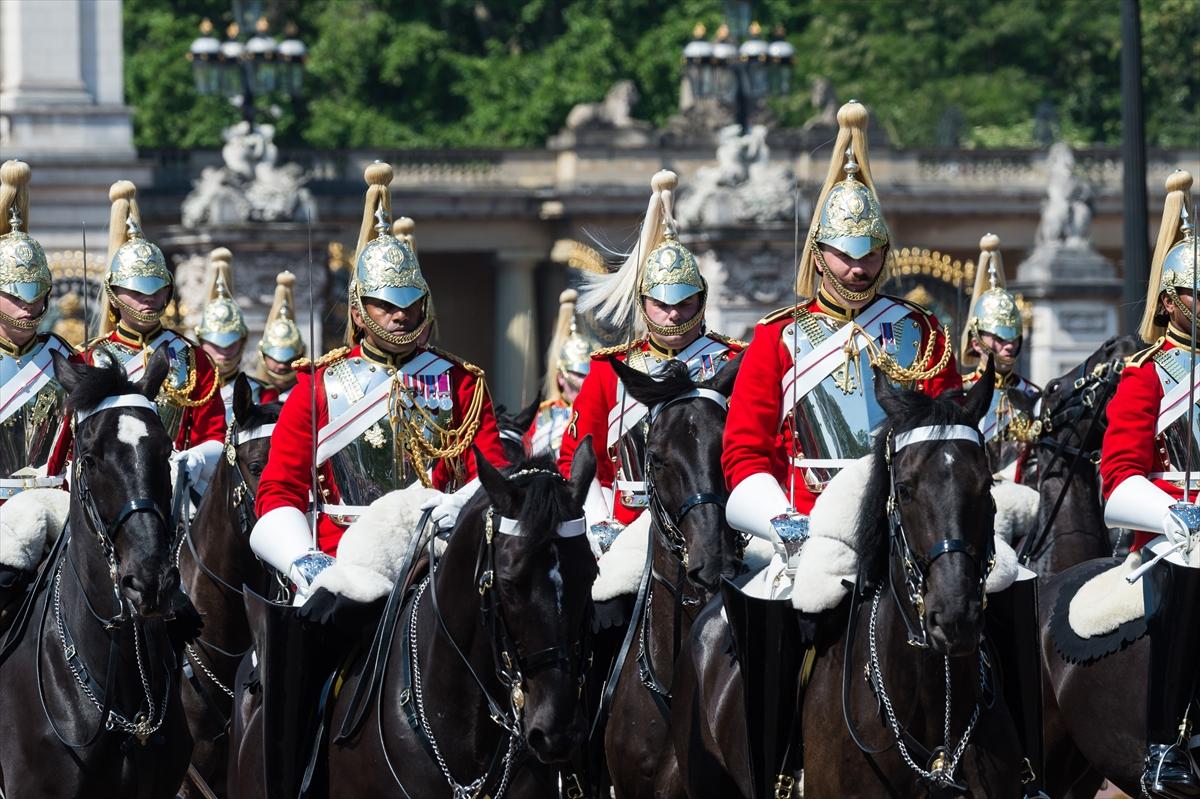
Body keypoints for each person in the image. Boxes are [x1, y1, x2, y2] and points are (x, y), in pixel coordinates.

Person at [719, 101, 962, 797]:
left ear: (885, 251)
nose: (858, 269)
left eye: (869, 255)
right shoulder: (778, 338)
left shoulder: (921, 332)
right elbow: (744, 451)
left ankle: (1018, 760)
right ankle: (776, 764)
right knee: (773, 616)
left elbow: (949, 435)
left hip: (911, 524)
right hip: (808, 523)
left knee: (999, 587)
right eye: (844, 255)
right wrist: (780, 519)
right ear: (818, 253)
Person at [250, 161, 508, 601]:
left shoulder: (460, 382)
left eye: (410, 303)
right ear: (358, 312)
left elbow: (494, 471)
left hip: (436, 551)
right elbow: (280, 489)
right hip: (342, 561)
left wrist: (460, 504)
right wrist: (306, 561)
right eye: (385, 305)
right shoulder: (317, 385)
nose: (400, 314)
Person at [557, 169, 743, 553]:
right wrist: (601, 523)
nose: (673, 315)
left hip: (718, 525)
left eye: (685, 303)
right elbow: (579, 456)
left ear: (702, 300)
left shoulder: (733, 361)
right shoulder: (609, 370)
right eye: (661, 304)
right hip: (630, 529)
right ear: (643, 304)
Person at [1101, 169, 1200, 798]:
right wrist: (1175, 515)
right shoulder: (1145, 373)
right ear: (1169, 301)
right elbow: (1118, 479)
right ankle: (1165, 745)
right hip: (1171, 536)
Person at [85, 180, 226, 496]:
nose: (148, 298)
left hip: (176, 487)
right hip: (110, 490)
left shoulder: (192, 357)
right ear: (114, 293)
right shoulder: (90, 357)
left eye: (157, 289)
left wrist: (195, 459)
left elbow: (215, 433)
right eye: (136, 291)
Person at [0, 159, 81, 614]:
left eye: (36, 294)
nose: (28, 308)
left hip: (56, 508)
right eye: (15, 296)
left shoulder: (68, 358)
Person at [961, 233, 1040, 480]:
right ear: (976, 343)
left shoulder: (1033, 396)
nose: (1008, 346)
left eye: (1013, 338)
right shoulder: (960, 393)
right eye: (999, 338)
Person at [195, 246, 277, 417]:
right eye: (215, 344)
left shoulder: (262, 393)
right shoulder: (188, 389)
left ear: (243, 341)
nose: (224, 351)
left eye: (231, 344)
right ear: (201, 342)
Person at [527, 289, 597, 458]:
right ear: (560, 377)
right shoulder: (544, 416)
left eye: (587, 374)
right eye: (578, 374)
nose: (583, 381)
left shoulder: (600, 413)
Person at [255, 270, 306, 401]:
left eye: (290, 359)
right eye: (276, 359)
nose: (282, 365)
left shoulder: (310, 395)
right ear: (263, 355)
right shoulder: (252, 395)